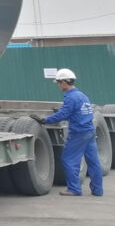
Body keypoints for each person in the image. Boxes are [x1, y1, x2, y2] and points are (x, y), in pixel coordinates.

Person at [35, 68, 103, 196]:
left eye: (58, 83)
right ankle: (98, 190)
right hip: (89, 131)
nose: (58, 85)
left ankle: (74, 189)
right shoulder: (82, 95)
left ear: (64, 82)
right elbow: (77, 113)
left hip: (78, 133)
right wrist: (62, 112)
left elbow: (64, 114)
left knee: (69, 159)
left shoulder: (71, 97)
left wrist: (45, 120)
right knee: (93, 162)